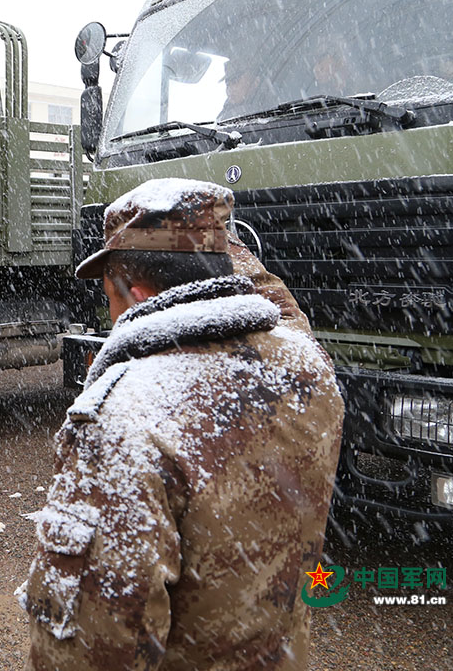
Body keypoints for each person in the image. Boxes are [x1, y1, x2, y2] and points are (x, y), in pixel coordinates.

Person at [17, 178, 344, 671]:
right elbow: (279, 311)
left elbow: (93, 648)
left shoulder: (124, 418)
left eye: (110, 297)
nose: (111, 315)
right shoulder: (307, 368)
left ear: (139, 295)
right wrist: (207, 243)